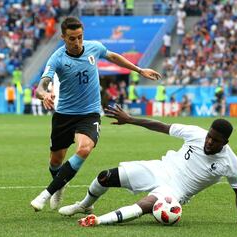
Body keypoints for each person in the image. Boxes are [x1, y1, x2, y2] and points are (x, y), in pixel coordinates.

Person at [30, 16, 161, 212]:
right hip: (64, 115)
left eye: (80, 37)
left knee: (84, 149)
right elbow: (41, 85)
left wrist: (139, 69)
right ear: (63, 37)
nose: (77, 43)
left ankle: (46, 194)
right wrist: (44, 95)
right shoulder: (57, 58)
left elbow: (113, 56)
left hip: (89, 114)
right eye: (72, 39)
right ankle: (59, 185)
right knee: (55, 161)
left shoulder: (94, 47)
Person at [58, 105, 237, 227]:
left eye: (215, 140)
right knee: (104, 177)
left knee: (144, 206)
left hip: (176, 191)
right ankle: (84, 205)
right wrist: (131, 120)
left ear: (224, 143)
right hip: (160, 168)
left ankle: (98, 221)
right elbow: (161, 126)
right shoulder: (195, 133)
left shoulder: (230, 163)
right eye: (209, 136)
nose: (209, 141)